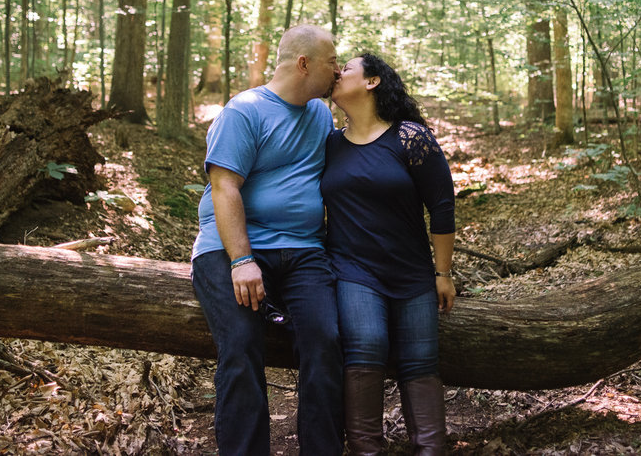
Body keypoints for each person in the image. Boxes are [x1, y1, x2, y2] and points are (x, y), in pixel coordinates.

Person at [191, 24, 344, 456]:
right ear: (303, 64)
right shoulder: (245, 111)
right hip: (232, 249)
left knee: (326, 338)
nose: (338, 70)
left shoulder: (319, 113)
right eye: (332, 62)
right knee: (240, 344)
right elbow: (225, 188)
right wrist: (242, 261)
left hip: (303, 250)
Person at [321, 53, 456, 455]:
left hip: (412, 270)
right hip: (352, 270)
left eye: (346, 67)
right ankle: (367, 450)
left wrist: (442, 272)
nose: (337, 72)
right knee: (366, 343)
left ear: (373, 82)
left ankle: (431, 449)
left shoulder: (410, 137)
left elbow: (442, 203)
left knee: (420, 360)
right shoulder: (328, 144)